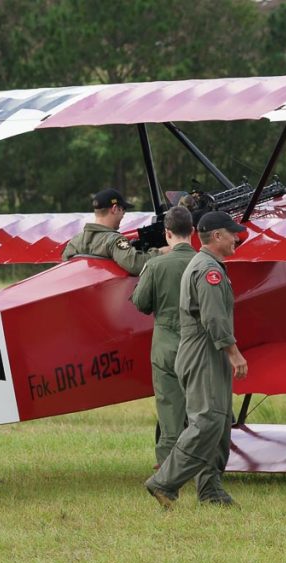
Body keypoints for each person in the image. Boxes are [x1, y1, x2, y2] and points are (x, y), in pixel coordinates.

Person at [144, 211, 249, 508]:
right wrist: (234, 352)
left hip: (206, 353)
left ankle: (211, 489)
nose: (236, 238)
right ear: (217, 236)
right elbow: (214, 317)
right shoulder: (207, 270)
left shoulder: (209, 265)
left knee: (218, 423)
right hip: (203, 353)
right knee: (207, 421)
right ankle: (164, 482)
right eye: (232, 234)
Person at [130, 206, 196, 466]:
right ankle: (203, 469)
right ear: (192, 231)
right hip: (198, 347)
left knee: (169, 410)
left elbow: (142, 303)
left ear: (167, 233)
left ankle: (168, 474)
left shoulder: (155, 265)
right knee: (201, 410)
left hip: (166, 345)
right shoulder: (208, 263)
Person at [62, 188, 167, 274]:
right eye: (123, 209)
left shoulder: (74, 242)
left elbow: (65, 270)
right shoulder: (115, 240)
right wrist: (162, 252)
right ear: (115, 209)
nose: (123, 214)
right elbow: (137, 265)